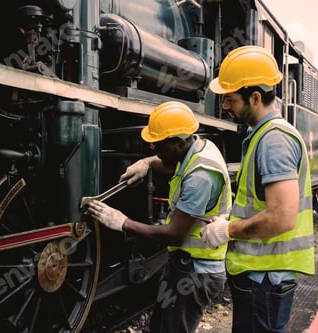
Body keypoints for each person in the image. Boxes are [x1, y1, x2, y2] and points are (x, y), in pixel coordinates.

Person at [87, 101, 232, 333]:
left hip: (196, 274)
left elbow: (174, 235)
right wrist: (146, 163)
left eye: (159, 145)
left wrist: (123, 223)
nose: (153, 149)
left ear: (179, 142)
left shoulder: (201, 176)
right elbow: (175, 165)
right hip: (183, 266)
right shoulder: (199, 147)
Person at [201, 45, 315, 333]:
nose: (225, 106)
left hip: (264, 280)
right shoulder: (264, 136)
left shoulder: (274, 140)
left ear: (255, 97)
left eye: (230, 98)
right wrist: (229, 222)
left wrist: (227, 231)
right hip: (263, 279)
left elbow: (282, 217)